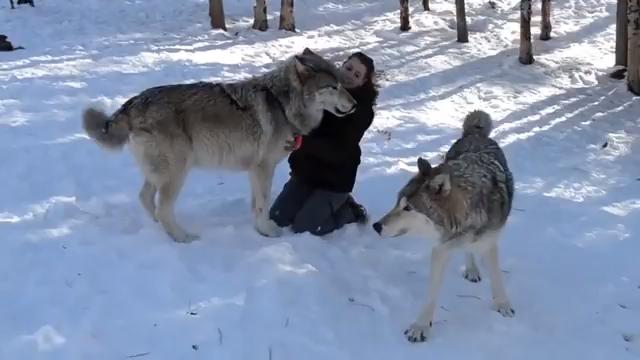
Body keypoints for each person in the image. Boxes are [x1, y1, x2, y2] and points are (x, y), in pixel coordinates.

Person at [269, 52, 378, 236]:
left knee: (305, 228)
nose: (350, 75)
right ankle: (307, 198)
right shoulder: (322, 87)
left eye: (357, 75)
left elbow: (337, 150)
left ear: (363, 82)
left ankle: (349, 211)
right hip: (306, 174)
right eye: (348, 68)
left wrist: (302, 142)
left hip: (333, 181)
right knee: (276, 218)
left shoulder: (362, 111)